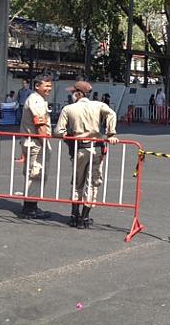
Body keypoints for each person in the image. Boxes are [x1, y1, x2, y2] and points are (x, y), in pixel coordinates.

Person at [54, 81, 118, 229]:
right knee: (92, 183)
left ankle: (73, 216)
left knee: (77, 182)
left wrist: (66, 135)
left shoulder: (68, 109)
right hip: (96, 148)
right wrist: (111, 133)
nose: (71, 94)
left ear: (78, 93)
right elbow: (112, 114)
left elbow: (58, 131)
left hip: (79, 148)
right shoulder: (98, 105)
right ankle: (85, 217)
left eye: (73, 92)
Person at [19, 74, 53, 219]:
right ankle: (30, 208)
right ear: (37, 86)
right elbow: (39, 125)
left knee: (33, 173)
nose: (49, 89)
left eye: (50, 86)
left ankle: (31, 205)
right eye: (46, 86)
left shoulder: (39, 99)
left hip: (33, 141)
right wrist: (45, 144)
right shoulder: (36, 101)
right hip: (36, 143)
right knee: (36, 174)